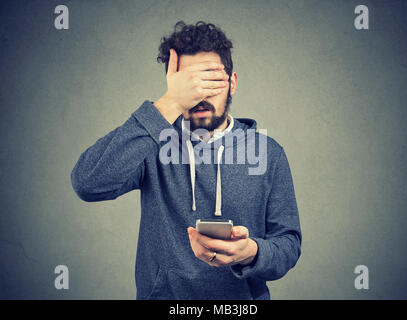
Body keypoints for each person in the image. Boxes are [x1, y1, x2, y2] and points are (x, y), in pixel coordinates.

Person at [71, 21, 302, 300]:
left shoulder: (269, 152)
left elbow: (288, 246)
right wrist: (168, 104)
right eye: (191, 84)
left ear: (233, 83)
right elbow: (88, 183)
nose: (201, 95)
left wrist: (251, 252)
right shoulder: (151, 143)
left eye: (212, 81)